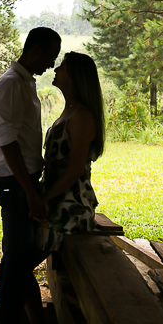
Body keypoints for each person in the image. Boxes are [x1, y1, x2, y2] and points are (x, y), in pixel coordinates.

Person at [0, 26, 61, 324]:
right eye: (49, 54)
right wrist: (31, 192)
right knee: (15, 265)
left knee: (17, 264)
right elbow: (7, 142)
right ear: (32, 49)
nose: (52, 62)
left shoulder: (25, 81)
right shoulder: (11, 84)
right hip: (16, 185)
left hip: (25, 182)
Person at [37, 51, 105, 255]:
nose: (56, 70)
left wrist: (45, 199)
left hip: (70, 205)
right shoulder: (71, 110)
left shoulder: (82, 116)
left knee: (21, 262)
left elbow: (75, 169)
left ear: (76, 77)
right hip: (58, 198)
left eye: (63, 68)